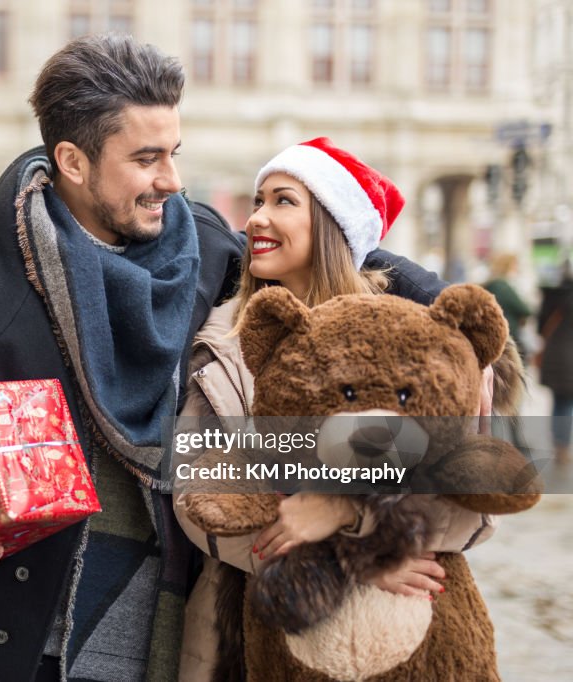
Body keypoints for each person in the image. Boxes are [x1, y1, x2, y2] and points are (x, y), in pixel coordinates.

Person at [0, 37, 445, 682]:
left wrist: (354, 523)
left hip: (179, 636)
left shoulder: (204, 248)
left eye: (174, 153)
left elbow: (336, 255)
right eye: (147, 158)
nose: (173, 180)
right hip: (18, 645)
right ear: (73, 160)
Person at [173, 138, 496, 680]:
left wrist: (353, 522)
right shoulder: (221, 344)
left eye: (283, 201)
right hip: (263, 632)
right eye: (257, 201)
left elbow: (478, 499)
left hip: (412, 635)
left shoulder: (409, 339)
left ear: (331, 223)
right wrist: (339, 562)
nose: (257, 219)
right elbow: (195, 495)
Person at [537, 259, 573, 466]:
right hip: (570, 356)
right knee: (567, 402)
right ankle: (562, 446)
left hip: (553, 354)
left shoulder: (552, 295)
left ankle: (558, 442)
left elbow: (540, 326)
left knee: (559, 400)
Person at [483, 252, 532, 360]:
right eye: (515, 265)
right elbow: (525, 310)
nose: (517, 268)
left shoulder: (492, 283)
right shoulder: (503, 286)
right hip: (508, 333)